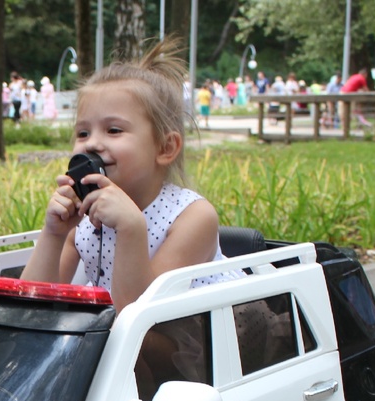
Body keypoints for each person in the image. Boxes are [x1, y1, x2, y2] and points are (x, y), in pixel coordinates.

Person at [21, 37, 240, 314]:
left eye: (114, 130)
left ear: (165, 147)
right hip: (118, 339)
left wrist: (132, 229)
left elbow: (145, 321)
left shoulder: (192, 217)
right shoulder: (83, 218)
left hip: (190, 341)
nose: (92, 144)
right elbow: (30, 306)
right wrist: (53, 234)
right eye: (83, 133)